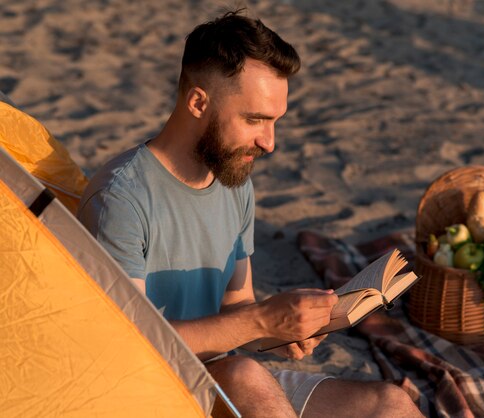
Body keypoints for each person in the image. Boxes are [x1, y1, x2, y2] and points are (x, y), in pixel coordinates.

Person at [78, 10, 421, 418]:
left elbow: (237, 305)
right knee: (245, 375)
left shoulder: (233, 183)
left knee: (390, 403)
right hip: (150, 391)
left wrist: (279, 332)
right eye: (255, 119)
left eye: (276, 121)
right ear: (198, 102)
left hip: (219, 377)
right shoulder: (121, 198)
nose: (270, 143)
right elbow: (127, 345)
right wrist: (261, 321)